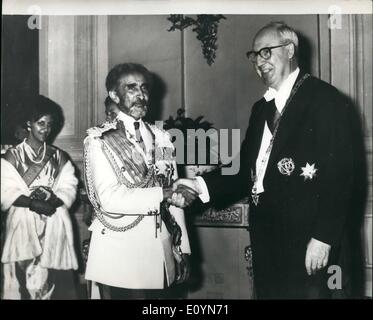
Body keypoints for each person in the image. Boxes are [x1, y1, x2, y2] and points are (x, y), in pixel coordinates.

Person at [173, 22, 356, 299]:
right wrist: (198, 184)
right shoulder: (261, 109)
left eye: (267, 52)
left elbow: (340, 177)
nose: (259, 62)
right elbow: (246, 170)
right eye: (255, 55)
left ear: (290, 50)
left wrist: (323, 238)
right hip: (267, 237)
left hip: (310, 241)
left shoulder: (325, 100)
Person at [83, 63, 191, 299]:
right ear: (114, 94)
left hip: (161, 248)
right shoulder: (99, 141)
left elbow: (173, 192)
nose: (141, 95)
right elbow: (109, 199)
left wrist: (182, 248)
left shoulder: (162, 139)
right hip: (120, 250)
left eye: (144, 88)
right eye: (131, 88)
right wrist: (163, 193)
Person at [1, 95, 79, 299]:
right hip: (23, 223)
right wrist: (33, 203)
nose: (46, 129)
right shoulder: (13, 156)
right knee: (23, 277)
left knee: (51, 279)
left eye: (49, 124)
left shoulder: (58, 156)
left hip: (53, 223)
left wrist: (55, 201)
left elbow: (69, 185)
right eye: (40, 123)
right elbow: (5, 190)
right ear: (29, 123)